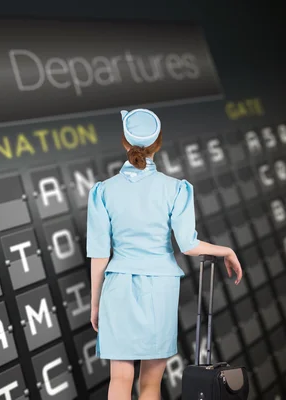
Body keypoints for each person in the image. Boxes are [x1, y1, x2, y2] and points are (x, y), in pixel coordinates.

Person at [87, 109, 243, 400]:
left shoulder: (103, 191)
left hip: (117, 287)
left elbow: (99, 255)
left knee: (119, 379)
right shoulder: (175, 189)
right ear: (158, 143)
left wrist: (95, 304)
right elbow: (188, 244)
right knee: (150, 384)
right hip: (160, 289)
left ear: (124, 142)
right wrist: (226, 250)